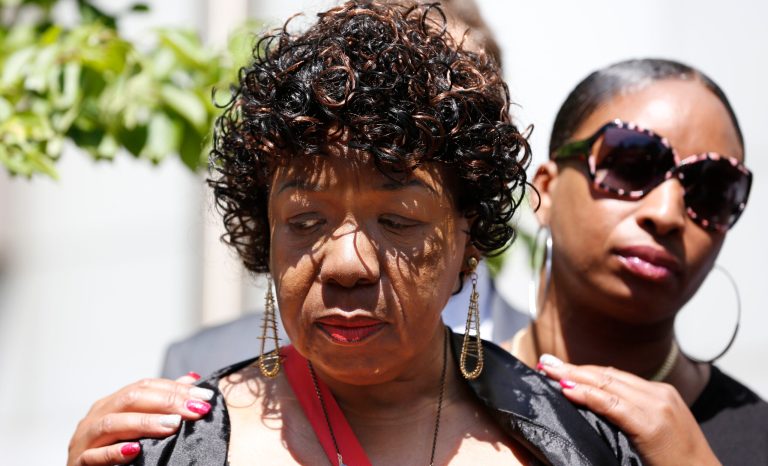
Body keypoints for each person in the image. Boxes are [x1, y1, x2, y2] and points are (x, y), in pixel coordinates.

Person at [69, 1, 642, 464]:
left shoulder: (579, 442)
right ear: (264, 231)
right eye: (305, 222)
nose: (347, 265)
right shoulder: (174, 447)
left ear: (468, 245)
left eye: (397, 221)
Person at [508, 58, 767, 465]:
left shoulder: (756, 439)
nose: (666, 214)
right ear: (548, 190)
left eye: (713, 190)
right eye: (631, 165)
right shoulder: (436, 401)